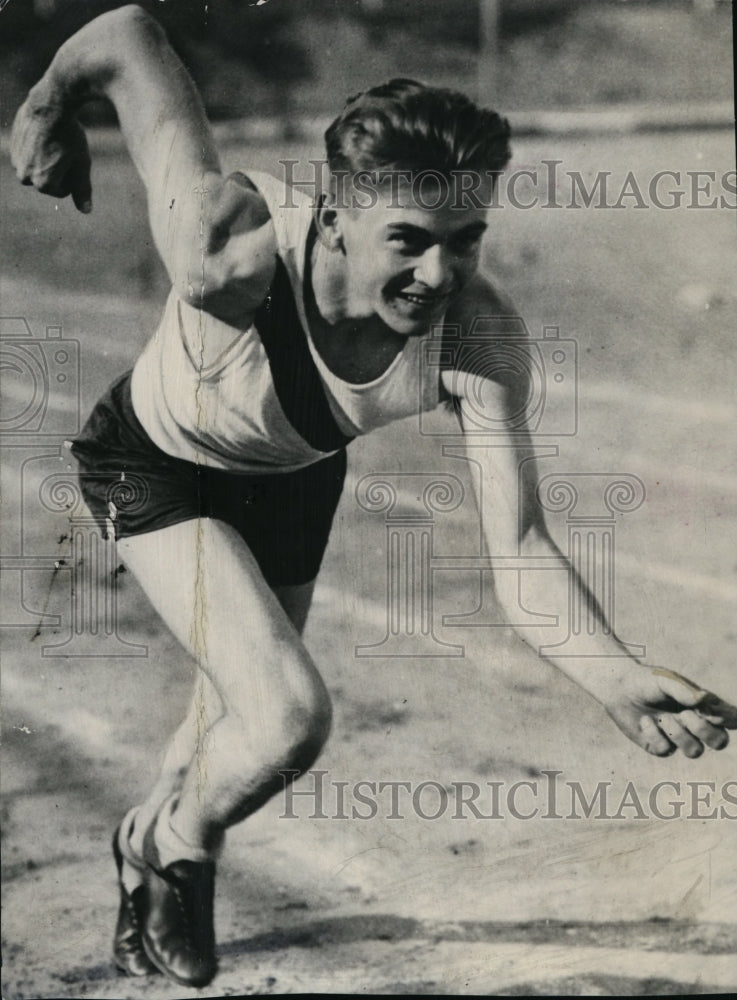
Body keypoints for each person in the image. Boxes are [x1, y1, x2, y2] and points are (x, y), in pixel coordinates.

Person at [10, 4, 737, 990]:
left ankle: (164, 845)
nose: (439, 273)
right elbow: (134, 39)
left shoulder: (477, 342)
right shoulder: (224, 248)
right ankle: (162, 842)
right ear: (334, 214)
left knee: (227, 727)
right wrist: (50, 104)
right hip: (156, 461)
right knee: (284, 717)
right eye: (409, 239)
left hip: (295, 475)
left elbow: (518, 545)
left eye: (466, 237)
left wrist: (606, 669)